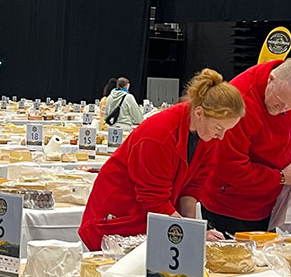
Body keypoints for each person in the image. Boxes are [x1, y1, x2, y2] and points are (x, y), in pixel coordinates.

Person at [78, 68, 245, 251]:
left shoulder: (207, 136)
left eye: (226, 130)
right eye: (219, 128)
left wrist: (191, 230)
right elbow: (153, 199)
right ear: (199, 113)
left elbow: (192, 187)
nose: (221, 136)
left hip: (150, 218)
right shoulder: (158, 135)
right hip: (116, 216)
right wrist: (192, 234)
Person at [201, 47, 291, 236]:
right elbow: (230, 167)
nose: (282, 109)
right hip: (230, 205)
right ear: (271, 79)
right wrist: (281, 177)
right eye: (278, 101)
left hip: (271, 202)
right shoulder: (240, 102)